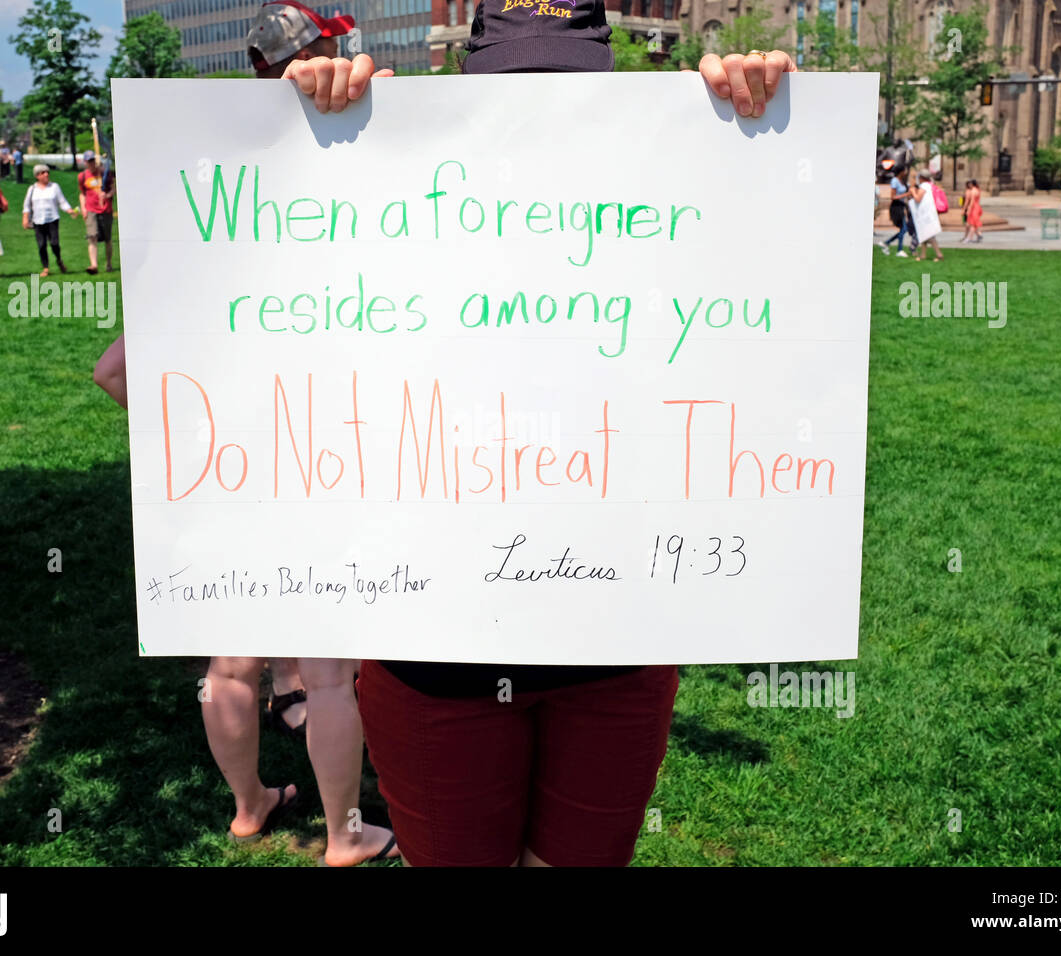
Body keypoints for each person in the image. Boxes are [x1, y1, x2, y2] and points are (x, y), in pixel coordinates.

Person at [286, 0, 796, 866]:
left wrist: (754, 119)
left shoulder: (661, 189)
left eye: (566, 85)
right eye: (516, 84)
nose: (541, 110)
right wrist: (320, 131)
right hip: (435, 657)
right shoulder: (401, 194)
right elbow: (292, 309)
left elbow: (760, 290)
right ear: (469, 82)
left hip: (618, 652)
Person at [93, 0, 402, 865]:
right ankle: (344, 833)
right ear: (327, 54)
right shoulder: (364, 176)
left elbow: (113, 373)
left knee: (231, 666)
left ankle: (247, 807)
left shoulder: (209, 200)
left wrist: (188, 443)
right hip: (325, 461)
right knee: (331, 673)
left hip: (227, 477)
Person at [22, 164, 79, 276]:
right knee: (41, 245)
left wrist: (69, 210)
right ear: (37, 175)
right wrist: (25, 219)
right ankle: (46, 268)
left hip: (52, 219)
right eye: (43, 173)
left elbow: (62, 201)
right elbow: (27, 205)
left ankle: (59, 260)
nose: (46, 174)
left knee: (54, 243)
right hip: (38, 221)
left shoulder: (54, 187)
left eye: (47, 172)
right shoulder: (32, 189)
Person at [78, 152, 115, 274]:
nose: (91, 163)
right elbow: (82, 193)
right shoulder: (82, 176)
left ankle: (109, 264)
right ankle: (94, 265)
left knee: (107, 239)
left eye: (93, 160)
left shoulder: (105, 173)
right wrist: (83, 208)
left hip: (106, 209)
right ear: (85, 162)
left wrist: (107, 194)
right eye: (89, 161)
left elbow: (114, 188)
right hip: (91, 209)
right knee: (92, 236)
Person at [908, 170, 943, 262]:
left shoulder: (924, 186)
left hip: (926, 215)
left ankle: (939, 254)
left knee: (930, 236)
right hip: (927, 214)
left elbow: (918, 199)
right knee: (924, 234)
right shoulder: (929, 185)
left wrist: (913, 192)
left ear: (921, 178)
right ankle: (923, 255)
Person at [880, 167, 913, 258]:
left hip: (902, 206)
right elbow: (893, 197)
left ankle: (887, 243)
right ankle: (898, 249)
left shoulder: (903, 181)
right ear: (900, 172)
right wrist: (906, 194)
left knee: (903, 229)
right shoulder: (895, 181)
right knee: (904, 229)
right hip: (896, 206)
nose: (906, 172)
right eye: (904, 170)